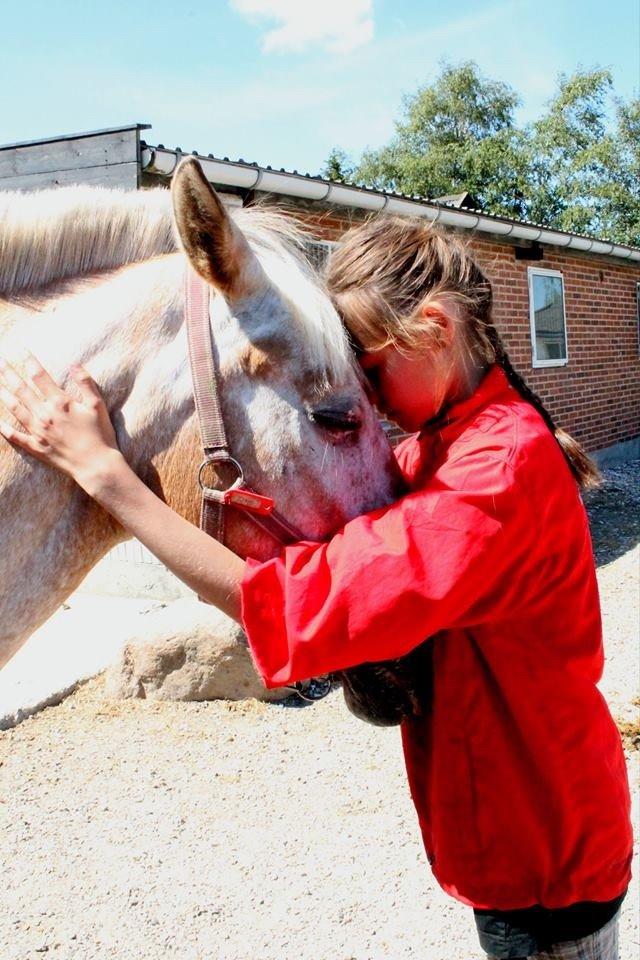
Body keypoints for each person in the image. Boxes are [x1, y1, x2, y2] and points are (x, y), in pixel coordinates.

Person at [0, 217, 632, 960]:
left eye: (367, 372)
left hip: (544, 852)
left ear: (434, 328)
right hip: (520, 827)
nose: (370, 398)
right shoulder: (448, 439)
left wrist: (108, 477)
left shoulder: (499, 469)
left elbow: (300, 602)